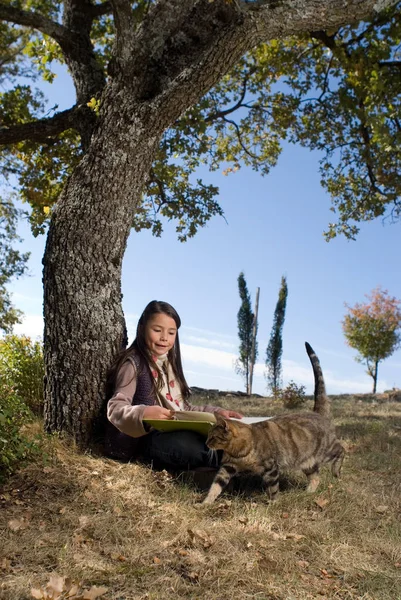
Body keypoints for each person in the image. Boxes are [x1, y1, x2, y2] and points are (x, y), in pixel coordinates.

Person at [105, 300, 243, 471]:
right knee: (187, 447)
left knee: (211, 439)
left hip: (174, 433)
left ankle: (229, 461)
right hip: (145, 440)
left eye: (171, 333)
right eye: (157, 330)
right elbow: (116, 407)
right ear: (141, 328)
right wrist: (144, 413)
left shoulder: (169, 366)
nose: (164, 338)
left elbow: (184, 409)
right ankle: (230, 463)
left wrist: (217, 413)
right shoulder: (133, 364)